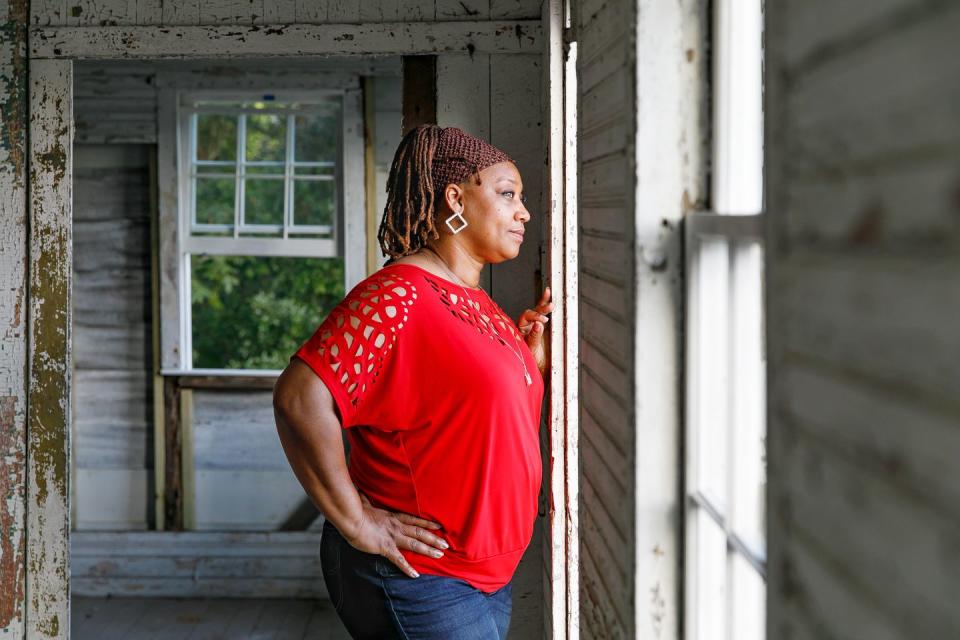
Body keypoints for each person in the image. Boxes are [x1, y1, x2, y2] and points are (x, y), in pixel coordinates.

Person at [273, 124, 554, 639]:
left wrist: (525, 361)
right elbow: (299, 399)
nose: (524, 213)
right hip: (422, 579)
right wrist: (357, 520)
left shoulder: (476, 299)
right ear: (455, 198)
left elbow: (466, 412)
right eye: (508, 194)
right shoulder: (396, 295)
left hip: (485, 578)